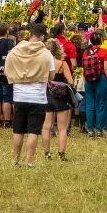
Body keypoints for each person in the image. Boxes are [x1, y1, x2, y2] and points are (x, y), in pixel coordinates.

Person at [5, 24, 53, 166]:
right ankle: (29, 161)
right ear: (42, 37)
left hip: (19, 96)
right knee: (33, 131)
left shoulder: (15, 51)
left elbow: (7, 71)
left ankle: (15, 160)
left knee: (18, 130)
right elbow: (51, 75)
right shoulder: (46, 54)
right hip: (37, 97)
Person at [42, 28, 74, 161]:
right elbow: (71, 81)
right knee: (62, 128)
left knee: (46, 126)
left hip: (46, 94)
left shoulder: (43, 63)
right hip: (61, 96)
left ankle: (47, 153)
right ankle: (61, 154)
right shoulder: (62, 64)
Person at [81, 29, 107, 138]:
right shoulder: (103, 52)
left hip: (88, 79)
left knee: (90, 104)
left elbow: (84, 67)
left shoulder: (86, 52)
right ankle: (99, 130)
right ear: (101, 40)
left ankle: (90, 129)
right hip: (101, 79)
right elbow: (106, 67)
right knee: (101, 104)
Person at [0, 24, 15, 128]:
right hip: (6, 72)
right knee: (7, 97)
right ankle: (7, 120)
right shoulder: (8, 42)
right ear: (7, 32)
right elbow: (11, 55)